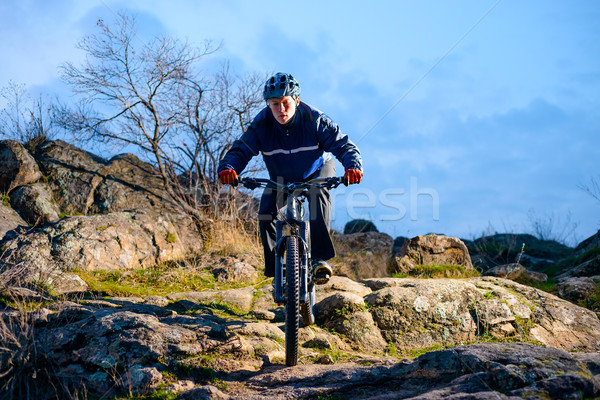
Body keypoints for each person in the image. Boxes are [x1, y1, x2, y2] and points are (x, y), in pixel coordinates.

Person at [218, 72, 362, 284]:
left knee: (317, 192)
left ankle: (319, 259)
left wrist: (352, 166)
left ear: (296, 100)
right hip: (282, 177)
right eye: (274, 104)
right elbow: (241, 149)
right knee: (266, 211)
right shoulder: (261, 125)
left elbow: (344, 145)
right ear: (268, 104)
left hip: (317, 170)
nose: (280, 109)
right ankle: (276, 270)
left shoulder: (315, 120)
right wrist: (229, 168)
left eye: (285, 102)